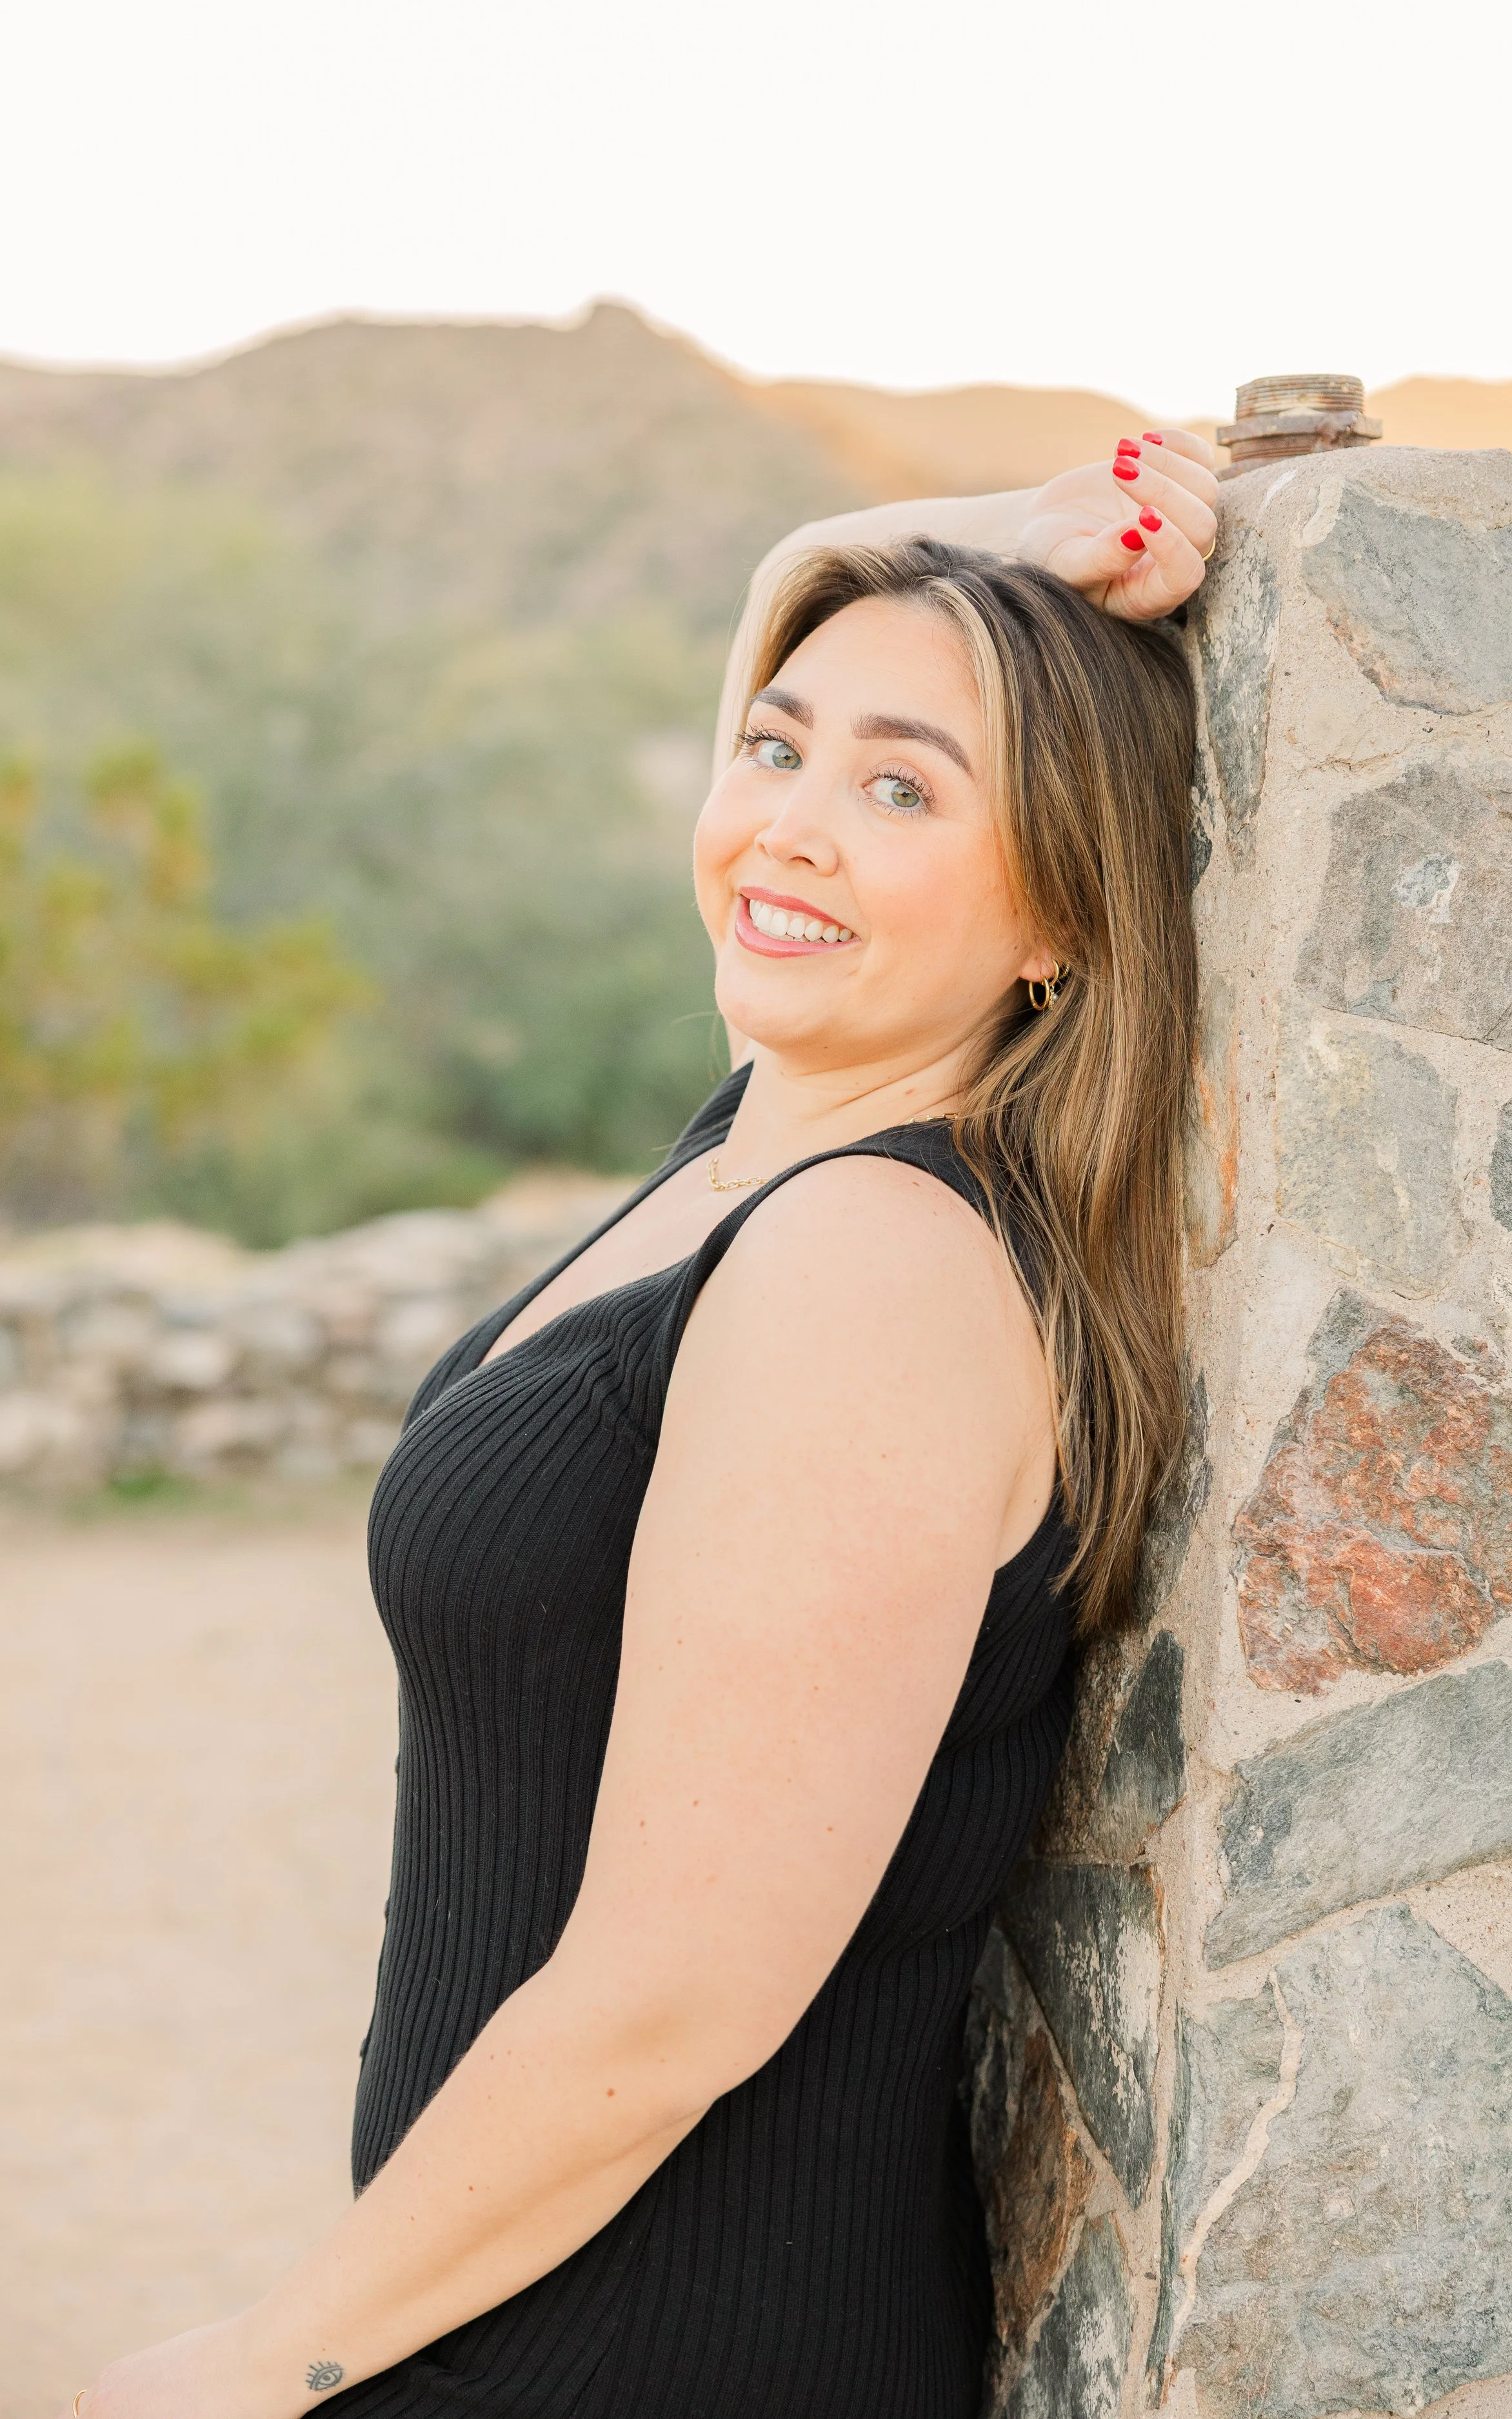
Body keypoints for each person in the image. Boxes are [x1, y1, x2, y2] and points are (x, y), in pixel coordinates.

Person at [72, 430, 1219, 2419]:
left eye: (900, 789)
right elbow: (798, 588)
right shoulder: (767, 1137)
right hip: (527, 2306)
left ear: (1057, 923)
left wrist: (258, 2363)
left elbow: (681, 1992)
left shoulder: (868, 1262)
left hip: (663, 2349)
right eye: (774, 751)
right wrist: (1013, 538)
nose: (787, 828)